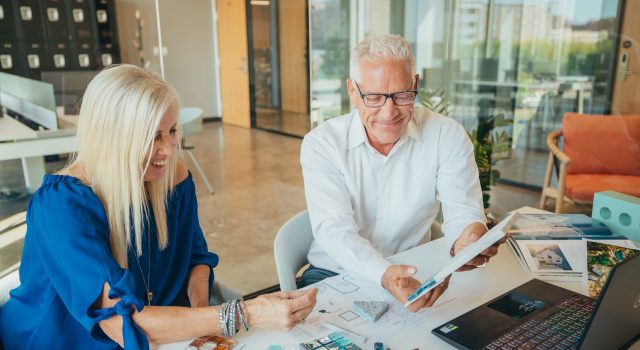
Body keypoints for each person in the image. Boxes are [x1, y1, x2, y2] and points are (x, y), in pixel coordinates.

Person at [0, 65, 317, 349]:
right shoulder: (62, 206)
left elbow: (196, 258)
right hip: (63, 339)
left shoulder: (173, 179)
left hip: (160, 332)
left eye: (172, 131)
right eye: (152, 137)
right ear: (113, 138)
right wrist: (241, 314)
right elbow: (119, 324)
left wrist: (200, 320)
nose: (168, 150)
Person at [299, 35, 498, 312]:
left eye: (402, 95)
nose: (389, 112)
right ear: (352, 92)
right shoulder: (322, 144)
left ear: (415, 85)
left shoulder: (447, 135)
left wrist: (469, 237)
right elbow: (335, 231)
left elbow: (463, 210)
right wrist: (384, 273)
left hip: (417, 268)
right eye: (374, 97)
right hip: (335, 272)